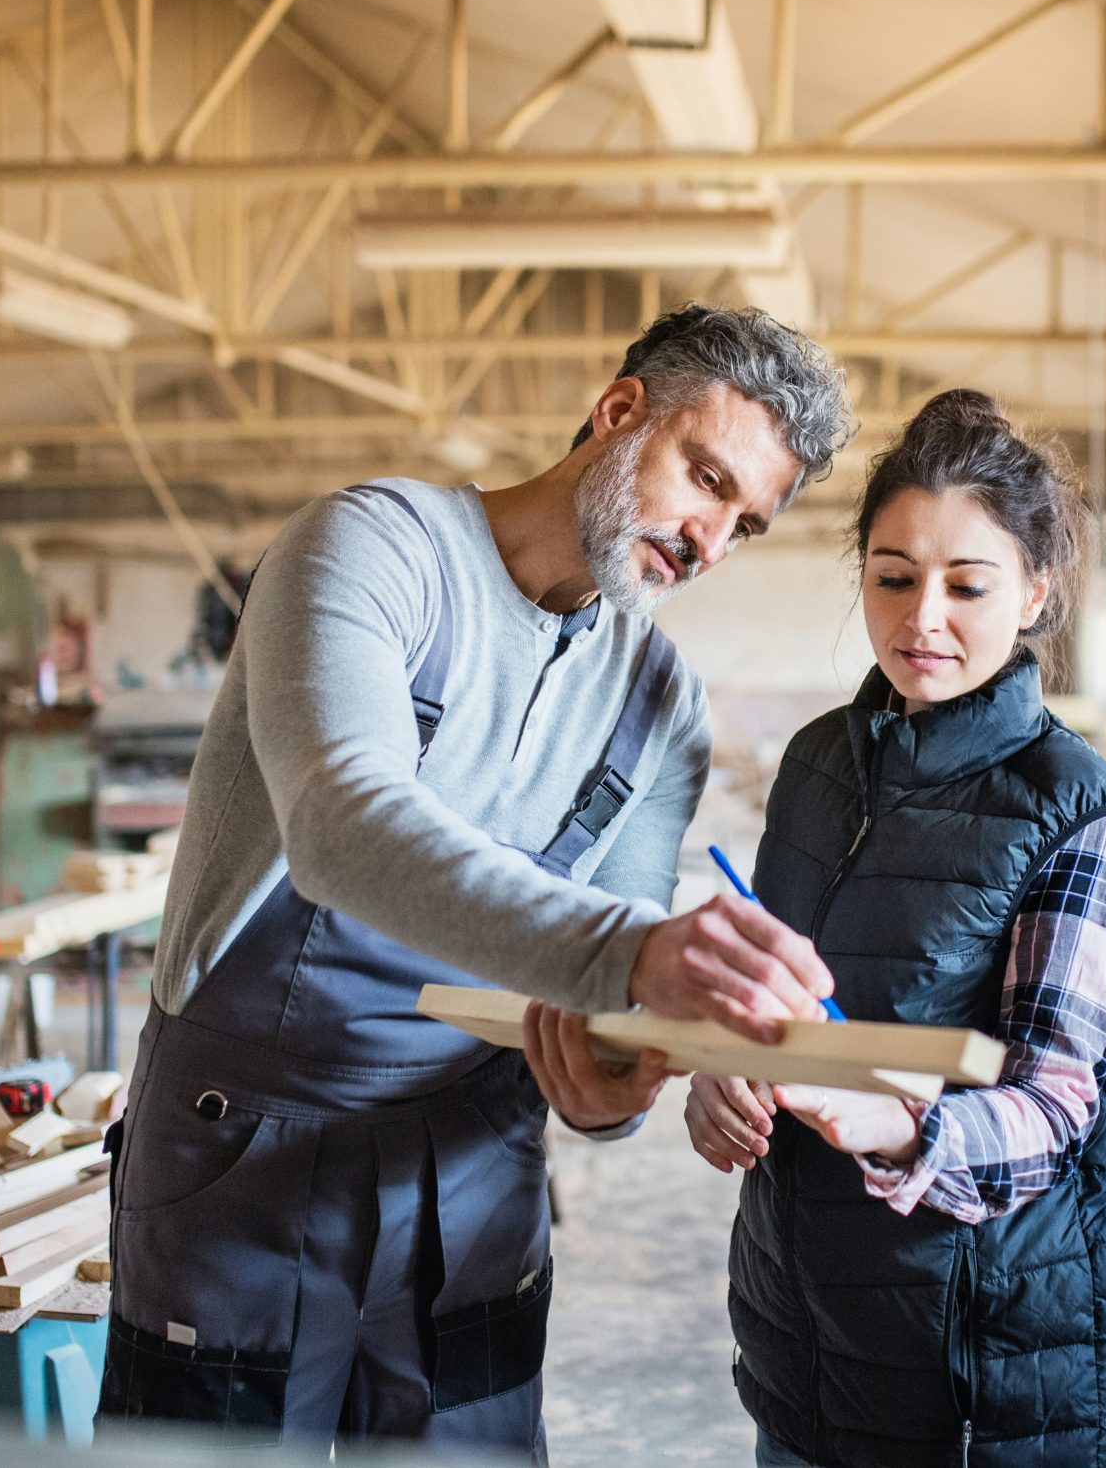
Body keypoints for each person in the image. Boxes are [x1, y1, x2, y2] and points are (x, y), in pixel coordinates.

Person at [99, 304, 854, 1457]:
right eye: (703, 477)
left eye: (744, 524)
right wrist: (631, 959)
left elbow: (601, 1019)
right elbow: (340, 826)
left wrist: (606, 1082)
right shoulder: (372, 548)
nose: (708, 538)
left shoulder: (659, 706)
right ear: (616, 414)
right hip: (243, 1154)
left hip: (473, 1176)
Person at [686, 389, 1106, 1468]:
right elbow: (771, 1009)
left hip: (993, 1387)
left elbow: (1053, 1115)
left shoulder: (1078, 817)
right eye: (893, 578)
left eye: (967, 584)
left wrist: (893, 1122)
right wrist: (724, 1075)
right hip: (807, 1350)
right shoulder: (816, 768)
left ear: (1037, 591)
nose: (923, 619)